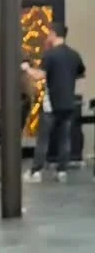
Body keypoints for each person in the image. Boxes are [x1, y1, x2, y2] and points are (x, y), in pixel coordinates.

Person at [22, 22, 85, 181]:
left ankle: (36, 172)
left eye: (49, 34)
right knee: (64, 138)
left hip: (51, 105)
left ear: (54, 35)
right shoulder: (74, 55)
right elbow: (81, 73)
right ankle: (61, 171)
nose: (47, 37)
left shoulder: (50, 55)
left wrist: (26, 68)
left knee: (43, 139)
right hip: (68, 103)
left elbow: (39, 76)